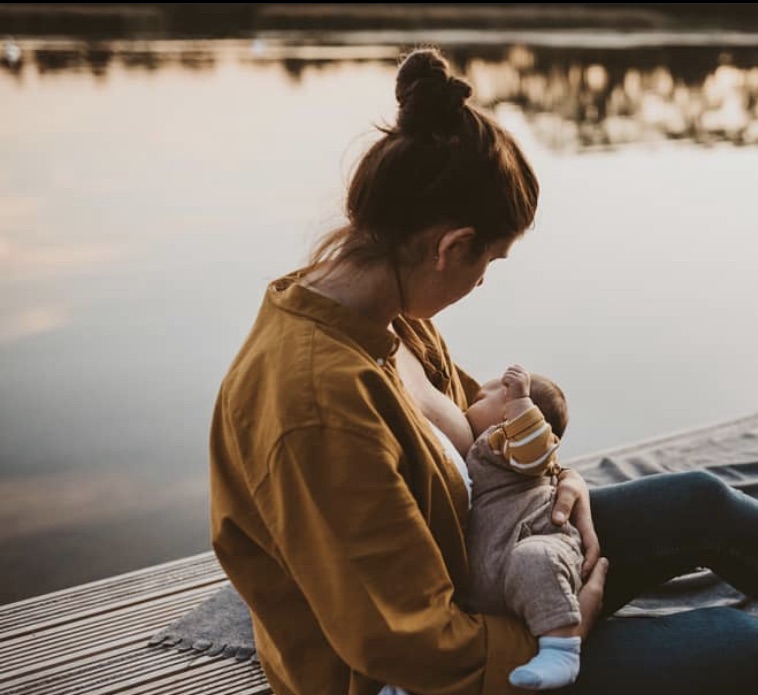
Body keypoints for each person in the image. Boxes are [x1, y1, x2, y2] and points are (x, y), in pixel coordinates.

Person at [209, 47, 758, 695]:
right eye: (488, 261)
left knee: (699, 499)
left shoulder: (386, 313)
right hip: (425, 672)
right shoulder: (316, 404)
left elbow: (487, 421)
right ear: (452, 246)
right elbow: (401, 639)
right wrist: (558, 632)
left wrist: (563, 481)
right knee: (742, 649)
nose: (481, 280)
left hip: (495, 561)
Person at [459, 364, 582, 690]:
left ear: (507, 407)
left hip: (536, 540)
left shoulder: (510, 443)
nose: (467, 406)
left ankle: (562, 650)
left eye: (479, 397)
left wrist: (521, 403)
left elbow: (538, 450)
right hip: (492, 574)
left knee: (535, 560)